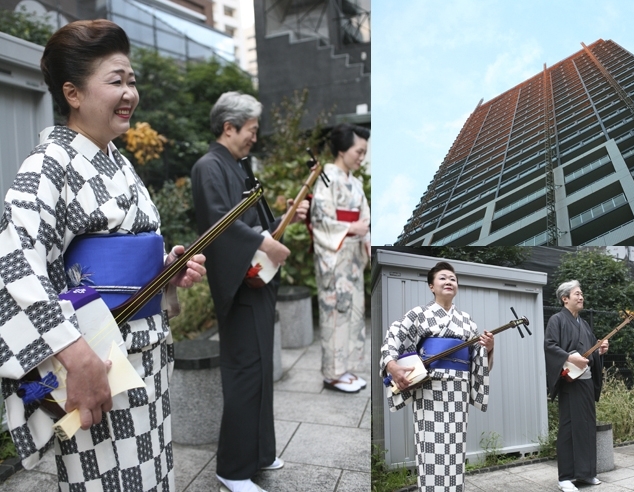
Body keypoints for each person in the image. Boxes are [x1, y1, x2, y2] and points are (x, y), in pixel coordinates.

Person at [0, 20, 206, 491]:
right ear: (72, 93)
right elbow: (13, 264)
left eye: (131, 81)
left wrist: (166, 273)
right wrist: (75, 356)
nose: (130, 92)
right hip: (97, 364)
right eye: (116, 80)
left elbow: (131, 255)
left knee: (153, 473)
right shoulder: (48, 165)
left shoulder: (119, 161)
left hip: (145, 356)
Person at [191, 91, 308, 492]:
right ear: (229, 127)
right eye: (251, 130)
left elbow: (261, 223)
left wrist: (287, 217)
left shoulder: (240, 166)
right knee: (244, 372)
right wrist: (263, 244)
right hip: (238, 281)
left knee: (260, 373)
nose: (254, 138)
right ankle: (233, 468)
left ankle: (259, 453)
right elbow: (218, 225)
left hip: (256, 277)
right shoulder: (208, 167)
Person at [380, 261, 493, 492]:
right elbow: (394, 335)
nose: (449, 281)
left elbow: (478, 360)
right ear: (431, 286)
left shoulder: (467, 321)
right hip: (430, 389)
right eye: (443, 278)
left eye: (452, 278)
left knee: (455, 447)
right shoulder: (419, 314)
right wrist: (391, 365)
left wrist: (488, 347)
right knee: (430, 447)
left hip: (458, 390)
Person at [310, 123, 370, 393]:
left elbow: (365, 217)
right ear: (343, 149)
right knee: (335, 312)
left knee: (355, 311)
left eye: (364, 152)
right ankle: (332, 374)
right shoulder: (325, 177)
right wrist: (349, 228)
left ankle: (345, 369)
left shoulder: (356, 183)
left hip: (354, 256)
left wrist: (365, 236)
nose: (362, 157)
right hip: (335, 256)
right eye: (359, 151)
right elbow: (320, 218)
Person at [544, 280, 608, 492]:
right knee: (569, 428)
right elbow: (551, 346)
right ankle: (565, 477)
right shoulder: (557, 320)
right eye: (577, 294)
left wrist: (600, 350)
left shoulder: (584, 323)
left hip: (586, 381)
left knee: (587, 426)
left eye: (581, 294)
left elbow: (589, 351)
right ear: (565, 299)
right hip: (570, 381)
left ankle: (586, 473)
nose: (581, 297)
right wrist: (570, 358)